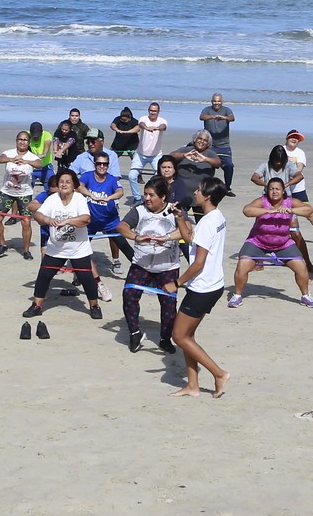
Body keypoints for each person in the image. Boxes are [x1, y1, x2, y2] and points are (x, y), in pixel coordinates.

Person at [169, 180, 231, 398]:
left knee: (178, 336)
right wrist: (179, 218)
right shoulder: (217, 217)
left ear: (207, 196)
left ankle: (218, 373)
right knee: (188, 336)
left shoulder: (207, 223)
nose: (194, 192)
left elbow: (198, 263)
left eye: (198, 189)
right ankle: (193, 385)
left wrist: (177, 283)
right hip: (213, 285)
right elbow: (189, 240)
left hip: (202, 288)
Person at [26, 169, 102, 322]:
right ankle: (37, 305)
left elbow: (86, 219)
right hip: (56, 248)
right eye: (61, 181)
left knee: (86, 278)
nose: (64, 184)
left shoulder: (79, 199)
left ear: (74, 185)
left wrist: (66, 221)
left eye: (68, 182)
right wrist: (47, 220)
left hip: (78, 249)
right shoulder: (53, 199)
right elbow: (38, 214)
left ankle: (94, 306)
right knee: (43, 276)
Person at [229, 178, 313, 308]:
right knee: (242, 265)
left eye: (277, 189)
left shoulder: (290, 202)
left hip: (283, 243)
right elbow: (247, 210)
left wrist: (291, 210)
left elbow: (308, 210)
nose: (274, 191)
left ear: (283, 191)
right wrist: (268, 211)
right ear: (267, 190)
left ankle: (306, 296)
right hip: (258, 241)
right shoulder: (262, 201)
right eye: (271, 189)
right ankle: (237, 296)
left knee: (301, 266)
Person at [119, 177, 183, 354]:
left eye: (151, 195)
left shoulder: (174, 211)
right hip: (141, 264)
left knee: (169, 304)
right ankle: (135, 333)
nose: (146, 198)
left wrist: (167, 238)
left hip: (168, 266)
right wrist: (136, 237)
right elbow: (122, 226)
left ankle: (165, 339)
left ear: (163, 197)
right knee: (129, 295)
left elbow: (186, 231)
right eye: (145, 194)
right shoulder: (139, 211)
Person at [78, 149, 132, 287]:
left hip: (110, 221)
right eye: (99, 164)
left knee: (125, 246)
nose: (102, 167)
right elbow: (79, 186)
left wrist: (109, 197)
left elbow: (120, 192)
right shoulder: (87, 176)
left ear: (108, 165)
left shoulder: (112, 179)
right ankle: (79, 275)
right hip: (91, 222)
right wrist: (90, 195)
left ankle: (141, 273)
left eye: (105, 164)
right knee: (80, 249)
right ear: (95, 164)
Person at [0, 129, 41, 257]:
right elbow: (0, 159)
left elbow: (39, 164)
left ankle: (26, 250)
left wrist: (26, 161)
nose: (22, 142)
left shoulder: (31, 156)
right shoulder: (9, 153)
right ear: (16, 141)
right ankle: (3, 244)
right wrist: (12, 159)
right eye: (20, 139)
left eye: (25, 140)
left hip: (24, 193)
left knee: (26, 222)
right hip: (7, 191)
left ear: (28, 142)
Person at [166, 131, 222, 214]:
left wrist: (205, 159)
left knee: (202, 222)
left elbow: (218, 163)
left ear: (208, 144)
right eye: (200, 138)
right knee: (178, 219)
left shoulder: (210, 153)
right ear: (195, 139)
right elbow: (171, 156)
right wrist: (184, 155)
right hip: (182, 194)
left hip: (201, 195)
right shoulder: (186, 149)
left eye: (205, 140)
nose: (202, 141)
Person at [199, 93, 237, 186]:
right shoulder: (207, 110)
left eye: (219, 101)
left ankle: (227, 187)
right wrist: (212, 117)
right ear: (212, 101)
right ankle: (206, 186)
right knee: (205, 165)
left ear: (222, 101)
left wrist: (224, 118)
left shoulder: (226, 110)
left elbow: (232, 118)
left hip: (224, 145)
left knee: (229, 166)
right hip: (210, 146)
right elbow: (201, 117)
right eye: (215, 101)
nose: (217, 103)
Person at [133, 102, 169, 185]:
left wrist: (156, 128)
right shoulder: (143, 118)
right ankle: (137, 197)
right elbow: (141, 124)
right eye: (151, 110)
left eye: (155, 111)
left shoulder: (162, 120)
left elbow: (163, 126)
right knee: (132, 176)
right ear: (148, 110)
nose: (153, 112)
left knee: (161, 176)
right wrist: (146, 128)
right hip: (141, 154)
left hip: (156, 155)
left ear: (158, 111)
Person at [109, 106, 140, 180]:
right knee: (110, 158)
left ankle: (139, 176)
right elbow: (112, 125)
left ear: (129, 118)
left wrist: (128, 132)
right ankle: (110, 174)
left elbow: (138, 128)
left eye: (125, 120)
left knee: (136, 161)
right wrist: (117, 130)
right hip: (119, 144)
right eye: (122, 119)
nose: (123, 121)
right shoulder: (117, 119)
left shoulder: (134, 121)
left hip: (131, 144)